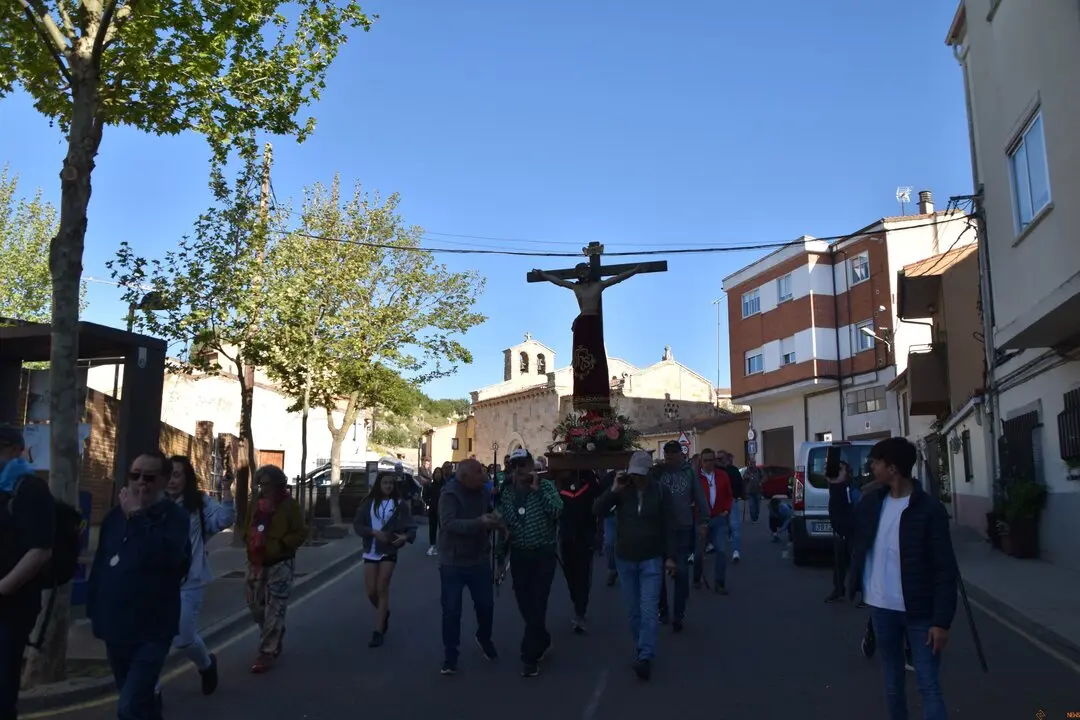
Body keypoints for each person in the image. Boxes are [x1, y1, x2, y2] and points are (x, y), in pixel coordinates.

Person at [845, 438, 957, 720]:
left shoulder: (930, 510)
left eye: (875, 462)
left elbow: (945, 568)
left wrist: (941, 622)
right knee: (893, 684)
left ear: (892, 467)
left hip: (921, 612)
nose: (871, 466)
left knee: (928, 684)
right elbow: (845, 528)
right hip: (882, 609)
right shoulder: (873, 503)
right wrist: (836, 488)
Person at [87, 450, 190, 719]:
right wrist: (94, 611)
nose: (141, 482)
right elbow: (101, 565)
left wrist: (138, 518)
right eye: (135, 475)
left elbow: (170, 559)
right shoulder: (114, 517)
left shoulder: (174, 518)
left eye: (149, 476)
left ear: (164, 480)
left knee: (129, 706)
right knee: (139, 703)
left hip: (153, 629)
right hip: (116, 627)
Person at [593, 451, 676, 682]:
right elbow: (596, 510)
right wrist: (614, 491)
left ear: (649, 472)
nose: (637, 479)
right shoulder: (621, 490)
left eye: (641, 474)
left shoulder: (660, 492)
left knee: (649, 609)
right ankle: (643, 646)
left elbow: (669, 525)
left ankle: (645, 655)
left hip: (651, 558)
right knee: (634, 612)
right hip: (625, 558)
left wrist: (670, 557)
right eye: (634, 474)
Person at [163, 455, 235, 696]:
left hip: (189, 581)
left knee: (183, 638)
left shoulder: (199, 503)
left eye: (177, 475)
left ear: (187, 478)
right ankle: (151, 693)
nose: (172, 480)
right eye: (168, 475)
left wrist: (226, 491)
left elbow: (224, 519)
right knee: (154, 640)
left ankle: (206, 665)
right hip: (156, 583)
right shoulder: (153, 501)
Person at [0, 426, 55, 719]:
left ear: (12, 449)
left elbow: (39, 551)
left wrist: (3, 588)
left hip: (11, 608)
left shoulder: (30, 489)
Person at [495, 450, 562, 677]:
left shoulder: (545, 487)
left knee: (538, 601)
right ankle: (542, 639)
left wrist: (538, 492)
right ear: (512, 469)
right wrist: (499, 560)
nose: (524, 470)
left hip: (543, 552)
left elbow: (557, 511)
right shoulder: (506, 493)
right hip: (520, 554)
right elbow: (503, 528)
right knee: (525, 603)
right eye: (518, 466)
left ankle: (529, 656)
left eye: (527, 465)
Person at [437, 458, 501, 675]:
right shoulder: (449, 494)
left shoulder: (483, 491)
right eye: (478, 473)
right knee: (452, 610)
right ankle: (450, 656)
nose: (484, 477)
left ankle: (484, 637)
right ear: (464, 476)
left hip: (478, 558)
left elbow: (488, 511)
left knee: (486, 605)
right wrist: (479, 523)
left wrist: (494, 519)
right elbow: (448, 524)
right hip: (452, 561)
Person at [243, 465, 307, 674]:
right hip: (256, 561)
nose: (264, 489)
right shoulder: (255, 504)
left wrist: (281, 544)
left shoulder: (289, 506)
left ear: (278, 485)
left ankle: (267, 651)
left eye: (268, 485)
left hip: (280, 562)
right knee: (255, 606)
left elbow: (300, 532)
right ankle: (274, 631)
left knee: (275, 607)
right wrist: (248, 542)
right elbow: (246, 526)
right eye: (262, 485)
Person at [354, 473, 417, 648]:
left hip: (389, 550)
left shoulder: (399, 505)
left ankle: (378, 630)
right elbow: (358, 525)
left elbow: (411, 527)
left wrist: (405, 537)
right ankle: (384, 612)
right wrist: (373, 532)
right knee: (371, 591)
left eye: (391, 483)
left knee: (382, 586)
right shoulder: (368, 504)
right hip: (370, 550)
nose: (388, 486)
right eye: (385, 483)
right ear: (379, 485)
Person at [654, 441, 708, 629]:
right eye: (666, 455)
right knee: (657, 572)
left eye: (672, 455)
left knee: (682, 572)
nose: (669, 458)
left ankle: (679, 614)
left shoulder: (689, 473)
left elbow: (700, 497)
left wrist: (703, 521)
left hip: (683, 528)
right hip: (660, 529)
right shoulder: (658, 472)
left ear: (680, 455)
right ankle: (663, 609)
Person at [554, 469, 601, 634]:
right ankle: (577, 601)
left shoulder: (589, 486)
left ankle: (580, 611)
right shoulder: (561, 488)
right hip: (566, 538)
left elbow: (598, 490)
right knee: (570, 575)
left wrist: (588, 471)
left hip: (584, 537)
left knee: (582, 574)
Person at [695, 449, 733, 596]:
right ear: (701, 462)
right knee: (699, 553)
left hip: (718, 518)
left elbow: (729, 496)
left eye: (712, 460)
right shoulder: (696, 477)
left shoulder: (722, 476)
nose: (709, 463)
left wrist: (726, 510)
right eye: (706, 460)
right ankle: (697, 577)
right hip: (701, 520)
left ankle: (720, 583)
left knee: (721, 550)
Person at [825, 460, 860, 604]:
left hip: (852, 532)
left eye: (841, 469)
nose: (837, 472)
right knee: (838, 563)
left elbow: (858, 510)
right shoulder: (835, 487)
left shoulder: (851, 489)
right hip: (839, 532)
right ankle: (838, 590)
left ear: (847, 473)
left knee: (857, 563)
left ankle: (863, 594)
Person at [719, 452, 745, 563]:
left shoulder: (722, 471)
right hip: (728, 501)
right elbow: (740, 484)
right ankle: (734, 551)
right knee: (731, 527)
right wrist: (741, 495)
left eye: (720, 458)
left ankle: (730, 551)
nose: (718, 460)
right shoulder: (732, 470)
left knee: (728, 526)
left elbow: (739, 484)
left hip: (727, 501)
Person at [423, 467, 445, 557]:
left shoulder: (445, 485)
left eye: (439, 473)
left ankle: (444, 546)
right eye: (436, 473)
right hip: (433, 509)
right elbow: (425, 496)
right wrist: (429, 503)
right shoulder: (430, 485)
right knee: (432, 528)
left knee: (443, 528)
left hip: (443, 510)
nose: (437, 475)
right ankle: (432, 545)